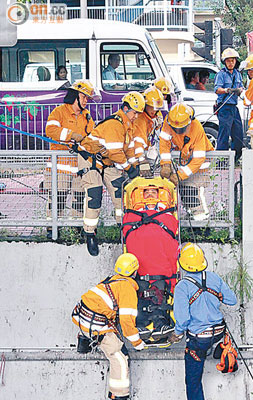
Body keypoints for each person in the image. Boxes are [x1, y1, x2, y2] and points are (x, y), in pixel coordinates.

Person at [78, 91, 145, 256]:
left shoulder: (127, 125)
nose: (136, 116)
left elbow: (127, 150)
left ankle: (124, 227)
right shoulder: (115, 124)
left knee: (120, 192)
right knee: (94, 195)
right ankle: (89, 233)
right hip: (90, 160)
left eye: (138, 113)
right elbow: (116, 153)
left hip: (106, 162)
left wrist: (135, 166)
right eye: (135, 112)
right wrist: (129, 169)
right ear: (126, 108)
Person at [72, 253, 144, 400]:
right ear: (135, 272)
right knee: (120, 358)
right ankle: (119, 396)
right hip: (96, 325)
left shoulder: (110, 280)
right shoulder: (127, 288)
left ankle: (86, 340)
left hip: (81, 317)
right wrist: (137, 343)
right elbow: (127, 321)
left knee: (111, 340)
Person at [169, 243, 237, 400]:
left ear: (182, 264)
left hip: (199, 339)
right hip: (219, 332)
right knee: (206, 348)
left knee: (193, 382)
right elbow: (231, 300)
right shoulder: (214, 278)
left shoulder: (182, 286)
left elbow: (183, 319)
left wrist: (176, 334)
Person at [122, 178, 179, 341]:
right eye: (147, 192)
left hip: (159, 265)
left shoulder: (166, 215)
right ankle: (143, 322)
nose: (150, 194)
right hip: (141, 264)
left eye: (154, 192)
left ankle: (159, 322)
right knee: (142, 291)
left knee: (158, 291)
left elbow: (172, 229)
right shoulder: (132, 215)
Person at [45, 80, 97, 236]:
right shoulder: (59, 112)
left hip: (79, 166)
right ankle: (52, 229)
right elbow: (50, 130)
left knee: (79, 199)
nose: (86, 101)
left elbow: (92, 136)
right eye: (84, 97)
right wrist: (71, 136)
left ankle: (77, 229)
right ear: (76, 96)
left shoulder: (87, 116)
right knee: (57, 199)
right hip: (60, 166)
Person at [159, 102, 214, 221]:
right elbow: (164, 144)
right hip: (186, 164)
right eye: (175, 129)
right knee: (184, 190)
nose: (177, 131)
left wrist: (179, 175)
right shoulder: (169, 122)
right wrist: (166, 164)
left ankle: (203, 224)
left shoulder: (196, 127)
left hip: (200, 167)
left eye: (181, 129)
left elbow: (198, 159)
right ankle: (192, 218)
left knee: (192, 191)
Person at [214, 48, 244, 162]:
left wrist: (239, 90)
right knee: (224, 134)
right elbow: (217, 89)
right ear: (225, 62)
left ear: (236, 61)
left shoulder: (237, 74)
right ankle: (221, 161)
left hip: (234, 107)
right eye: (228, 61)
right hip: (224, 107)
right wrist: (228, 90)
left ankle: (235, 159)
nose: (231, 63)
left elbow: (241, 87)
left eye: (233, 60)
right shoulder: (221, 74)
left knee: (238, 134)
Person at [132, 86, 164, 175]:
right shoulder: (140, 119)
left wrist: (157, 126)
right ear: (145, 105)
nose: (154, 110)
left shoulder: (155, 114)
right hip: (135, 153)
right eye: (152, 107)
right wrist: (142, 160)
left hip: (146, 149)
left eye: (157, 108)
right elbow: (138, 140)